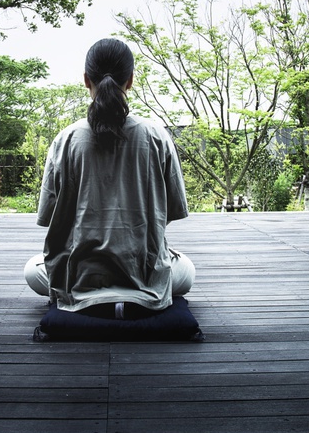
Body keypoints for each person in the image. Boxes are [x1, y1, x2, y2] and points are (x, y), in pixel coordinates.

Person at [24, 38, 195, 319]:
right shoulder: (157, 136)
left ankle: (98, 301)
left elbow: (49, 216)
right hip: (144, 278)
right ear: (130, 80)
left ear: (85, 80)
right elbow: (172, 212)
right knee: (185, 271)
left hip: (79, 280)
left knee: (33, 270)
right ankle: (129, 300)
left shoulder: (65, 140)